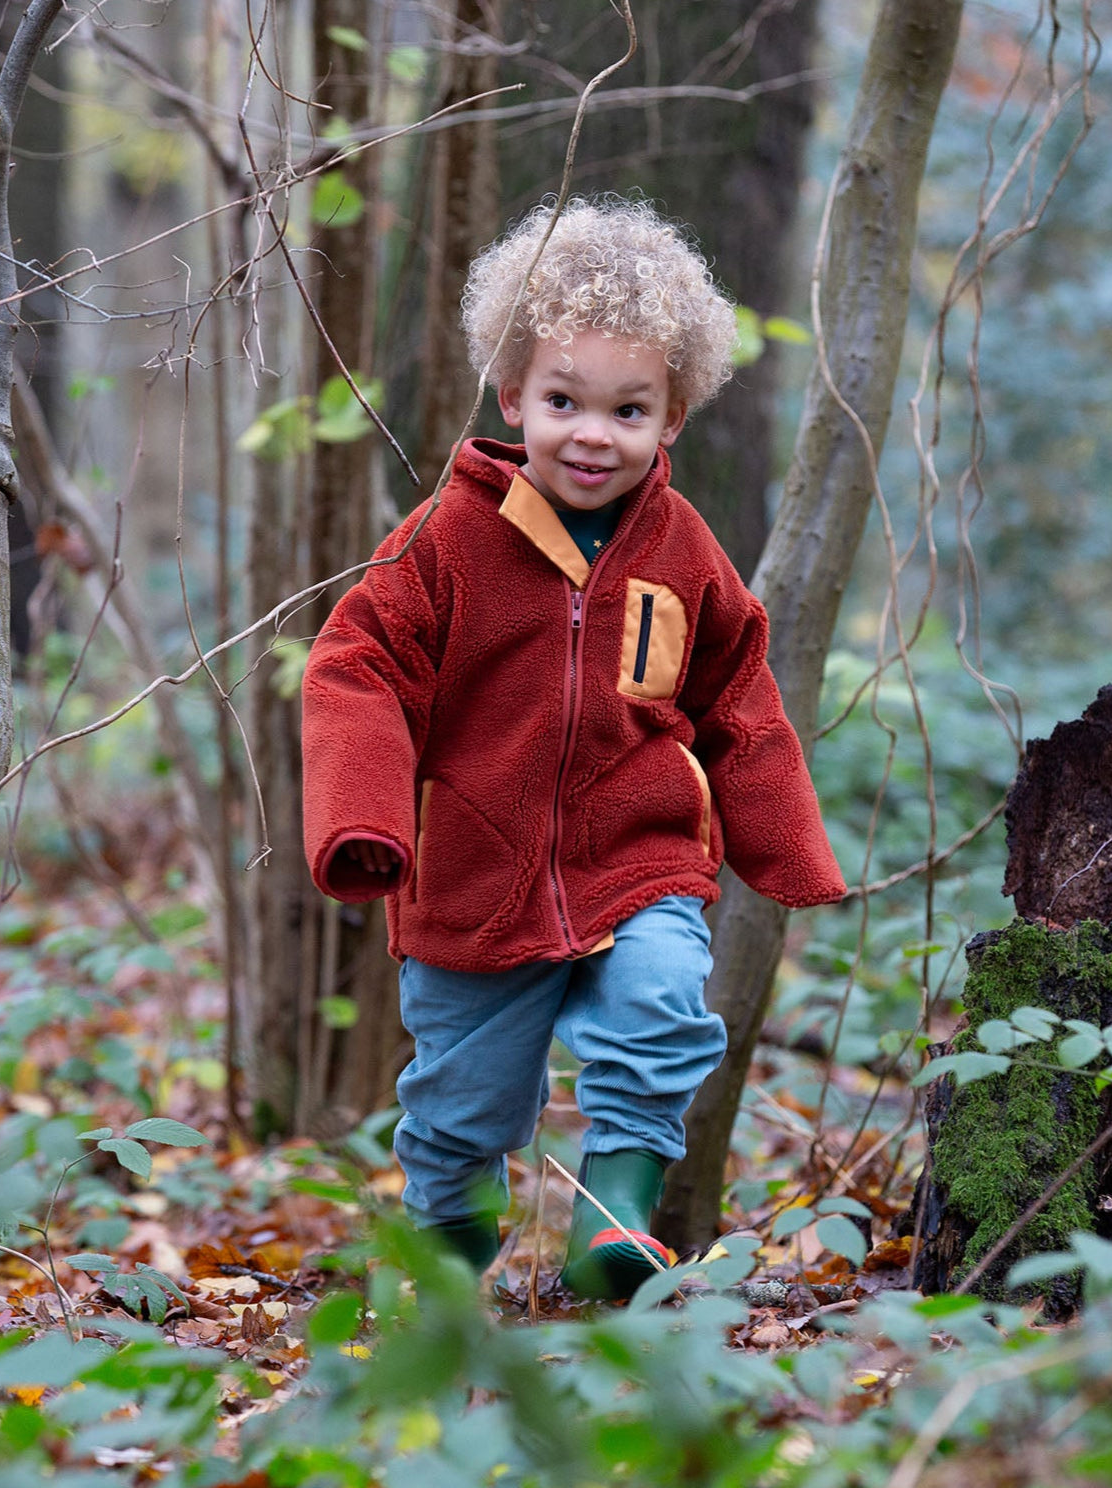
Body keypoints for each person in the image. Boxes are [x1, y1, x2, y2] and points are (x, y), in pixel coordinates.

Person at [301, 195, 846, 1301]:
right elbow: (355, 667)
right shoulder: (448, 542)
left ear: (672, 417)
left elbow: (737, 692)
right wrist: (363, 814)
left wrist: (786, 849)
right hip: (473, 880)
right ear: (513, 396)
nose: (592, 434)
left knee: (660, 1005)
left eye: (627, 410)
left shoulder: (683, 549)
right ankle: (450, 1270)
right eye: (564, 401)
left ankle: (615, 1226)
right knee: (462, 1108)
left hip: (635, 857)